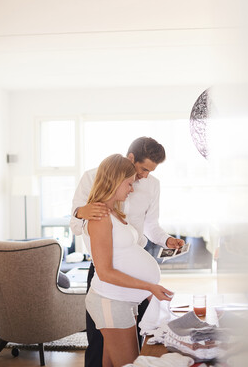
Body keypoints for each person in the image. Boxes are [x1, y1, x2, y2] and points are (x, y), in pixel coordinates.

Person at [70, 137, 184, 367]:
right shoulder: (93, 183)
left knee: (130, 349)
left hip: (127, 288)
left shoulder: (140, 193)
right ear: (131, 159)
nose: (143, 178)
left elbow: (151, 226)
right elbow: (77, 225)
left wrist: (166, 240)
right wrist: (81, 211)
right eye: (142, 170)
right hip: (110, 284)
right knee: (104, 347)